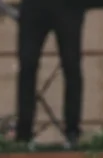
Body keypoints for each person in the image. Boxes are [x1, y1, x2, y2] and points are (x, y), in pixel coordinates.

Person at [16, 0, 86, 143]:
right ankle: (24, 131)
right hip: (34, 6)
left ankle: (73, 130)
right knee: (27, 66)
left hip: (68, 6)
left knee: (72, 65)